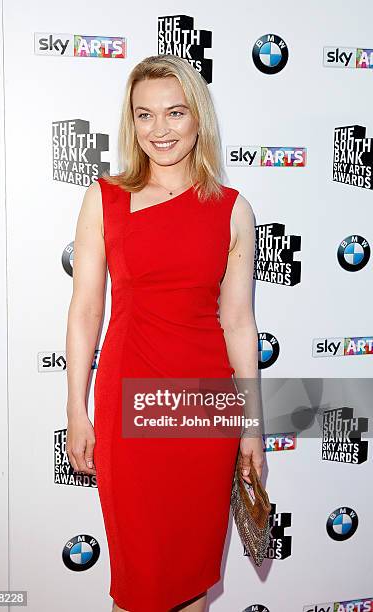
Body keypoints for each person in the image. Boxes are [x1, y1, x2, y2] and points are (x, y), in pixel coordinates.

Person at [65, 54, 264, 612]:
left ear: (199, 118)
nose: (160, 130)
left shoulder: (232, 210)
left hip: (205, 411)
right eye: (145, 116)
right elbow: (84, 311)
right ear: (132, 123)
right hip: (130, 405)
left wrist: (250, 426)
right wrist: (77, 409)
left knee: (192, 576)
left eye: (175, 113)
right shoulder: (105, 198)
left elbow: (239, 322)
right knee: (140, 581)